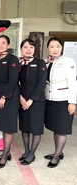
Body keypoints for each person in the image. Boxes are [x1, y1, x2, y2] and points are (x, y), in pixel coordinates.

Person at [44, 37, 76, 168]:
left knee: (62, 129)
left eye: (57, 46)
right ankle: (58, 151)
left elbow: (73, 83)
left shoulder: (68, 61)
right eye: (52, 46)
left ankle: (56, 157)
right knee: (55, 128)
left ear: (61, 47)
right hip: (50, 99)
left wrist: (72, 102)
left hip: (64, 100)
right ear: (48, 48)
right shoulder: (47, 62)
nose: (55, 49)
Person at [0, 35, 20, 168]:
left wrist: (4, 96)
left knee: (8, 127)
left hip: (9, 97)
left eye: (4, 43)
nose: (1, 45)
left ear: (8, 45)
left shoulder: (12, 59)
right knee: (3, 125)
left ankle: (4, 156)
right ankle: (6, 152)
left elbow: (13, 80)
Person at [18, 39, 47, 165]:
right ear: (21, 49)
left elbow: (41, 83)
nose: (28, 49)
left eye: (31, 47)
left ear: (35, 49)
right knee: (25, 127)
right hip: (22, 99)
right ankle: (26, 151)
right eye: (25, 47)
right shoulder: (20, 64)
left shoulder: (40, 63)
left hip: (37, 101)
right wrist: (21, 98)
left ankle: (31, 154)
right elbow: (15, 82)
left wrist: (31, 100)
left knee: (35, 128)